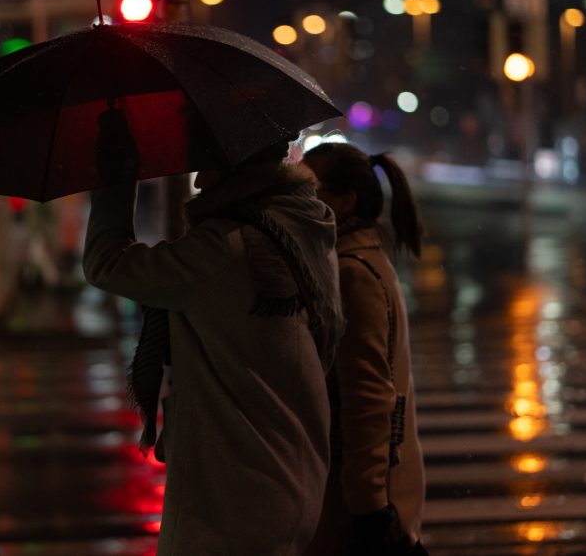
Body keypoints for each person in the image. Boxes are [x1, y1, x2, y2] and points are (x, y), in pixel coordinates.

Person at [83, 129, 344, 555]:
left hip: (231, 502)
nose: (199, 178)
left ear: (232, 165)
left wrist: (116, 177)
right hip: (291, 479)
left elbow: (106, 263)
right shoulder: (304, 229)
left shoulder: (222, 250)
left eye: (205, 159)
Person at [301, 143, 428, 556]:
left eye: (309, 189)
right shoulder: (360, 259)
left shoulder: (352, 273)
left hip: (359, 498)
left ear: (345, 202)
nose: (299, 199)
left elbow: (368, 398)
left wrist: (368, 507)